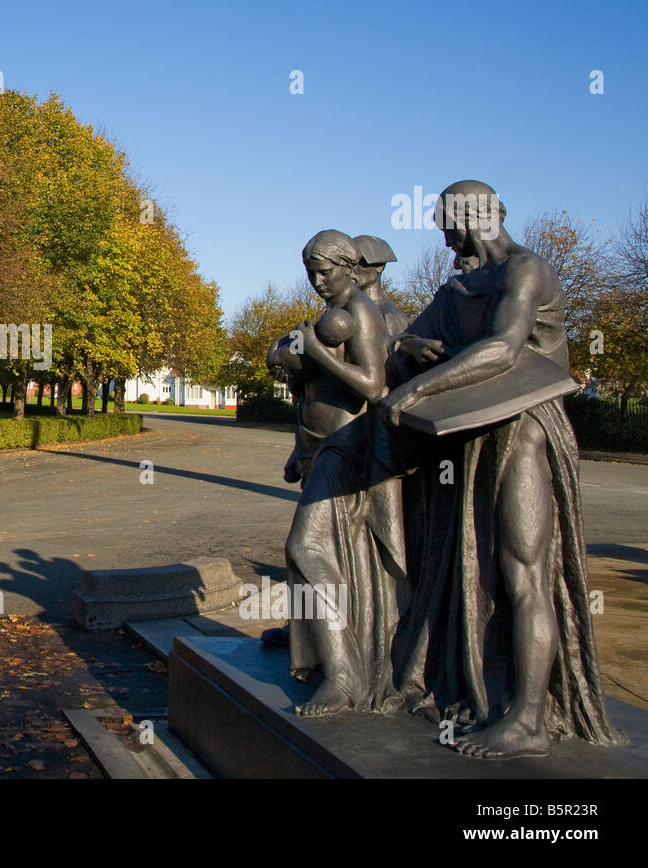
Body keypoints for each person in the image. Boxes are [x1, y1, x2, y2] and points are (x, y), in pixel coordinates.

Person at [380, 181, 623, 757]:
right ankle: (485, 689)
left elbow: (504, 350)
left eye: (445, 222)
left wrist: (414, 390)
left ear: (470, 217)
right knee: (477, 570)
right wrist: (409, 349)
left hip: (526, 428)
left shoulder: (527, 269)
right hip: (472, 435)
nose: (442, 236)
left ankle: (530, 720)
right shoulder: (459, 287)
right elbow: (404, 338)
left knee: (523, 569)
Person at [266, 230, 407, 716]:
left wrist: (320, 353)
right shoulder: (329, 315)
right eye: (311, 273)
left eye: (325, 271)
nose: (318, 280)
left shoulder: (363, 311)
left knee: (305, 547)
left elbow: (373, 384)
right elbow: (313, 385)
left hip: (350, 447)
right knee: (328, 557)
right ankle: (336, 666)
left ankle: (344, 677)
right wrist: (292, 358)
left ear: (349, 265)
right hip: (321, 446)